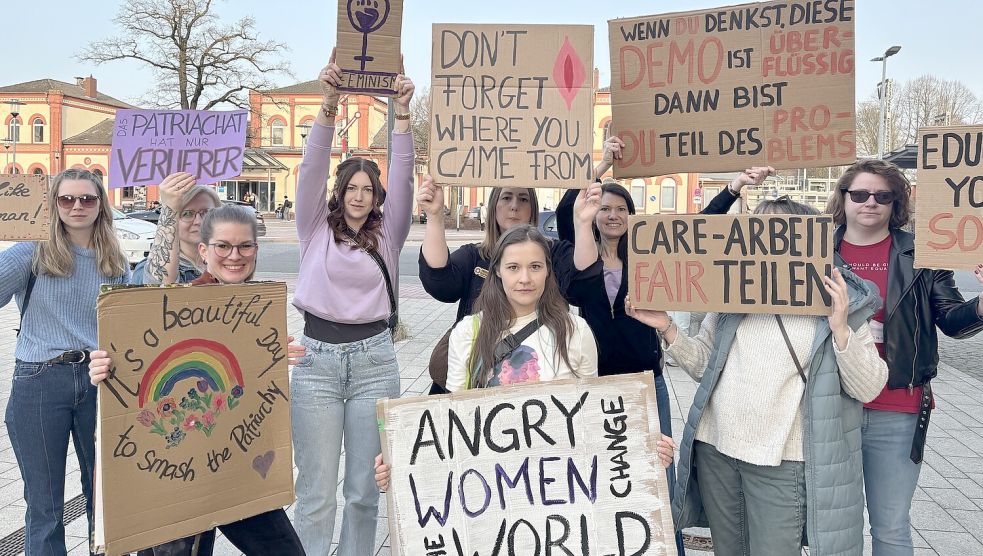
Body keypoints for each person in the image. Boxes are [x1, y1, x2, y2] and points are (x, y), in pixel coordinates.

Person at [629, 197, 889, 555]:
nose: (759, 243)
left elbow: (869, 386)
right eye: (755, 232)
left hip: (782, 462)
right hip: (717, 452)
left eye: (771, 234)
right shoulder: (731, 295)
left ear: (806, 243)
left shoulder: (840, 301)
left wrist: (841, 327)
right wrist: (668, 328)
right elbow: (705, 365)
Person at [557, 145, 775, 554]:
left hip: (646, 382)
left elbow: (698, 228)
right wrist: (600, 167)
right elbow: (571, 209)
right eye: (604, 207)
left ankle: (668, 548)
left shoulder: (646, 252)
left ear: (631, 215)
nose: (613, 215)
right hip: (594, 384)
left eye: (622, 208)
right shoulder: (577, 255)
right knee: (601, 473)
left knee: (659, 475)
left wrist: (734, 186)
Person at [373, 224, 678, 487]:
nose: (525, 278)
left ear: (548, 271)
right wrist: (399, 466)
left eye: (535, 267)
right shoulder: (468, 333)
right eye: (513, 267)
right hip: (487, 484)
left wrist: (642, 447)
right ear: (497, 273)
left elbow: (591, 420)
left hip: (557, 485)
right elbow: (453, 421)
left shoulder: (576, 332)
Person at [89, 204, 307, 555]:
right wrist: (103, 368)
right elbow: (132, 355)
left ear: (256, 249)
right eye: (223, 246)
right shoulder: (176, 303)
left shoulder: (257, 310)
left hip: (238, 467)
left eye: (245, 246)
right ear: (204, 250)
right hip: (178, 474)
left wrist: (272, 357)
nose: (235, 256)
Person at [288, 49, 414, 556]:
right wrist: (328, 105)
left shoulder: (390, 236)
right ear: (338, 192)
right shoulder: (312, 227)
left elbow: (404, 178)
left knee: (364, 490)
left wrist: (401, 113)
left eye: (369, 189)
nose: (360, 195)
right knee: (316, 491)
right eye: (352, 187)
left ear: (377, 196)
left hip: (374, 363)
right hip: (316, 361)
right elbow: (310, 168)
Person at [825, 159, 983, 555]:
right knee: (826, 528)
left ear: (897, 204)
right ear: (843, 198)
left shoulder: (923, 254)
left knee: (891, 527)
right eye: (859, 194)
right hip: (827, 405)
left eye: (883, 196)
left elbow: (952, 321)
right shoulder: (814, 251)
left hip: (897, 406)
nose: (870, 203)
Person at [0, 168, 130, 554]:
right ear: (53, 203)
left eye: (87, 199)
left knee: (105, 501)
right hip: (40, 381)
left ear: (100, 205)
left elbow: (124, 325)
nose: (77, 206)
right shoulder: (31, 252)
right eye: (67, 199)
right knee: (45, 507)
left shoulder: (114, 259)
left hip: (99, 381)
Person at [132, 172, 221, 285]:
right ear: (173, 220)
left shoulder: (232, 263)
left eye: (206, 213)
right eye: (187, 214)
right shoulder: (147, 268)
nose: (199, 221)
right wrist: (170, 206)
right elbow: (157, 287)